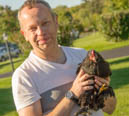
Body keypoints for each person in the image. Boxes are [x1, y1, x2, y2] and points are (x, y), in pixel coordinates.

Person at [12, 0, 117, 116]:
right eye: (32, 28)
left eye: (45, 23)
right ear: (25, 34)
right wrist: (72, 94)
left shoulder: (82, 56)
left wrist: (103, 90)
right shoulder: (24, 76)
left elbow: (110, 109)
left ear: (55, 22)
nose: (41, 32)